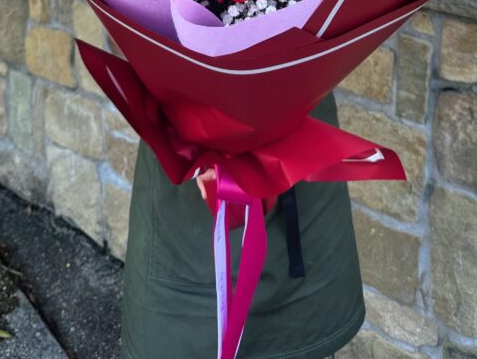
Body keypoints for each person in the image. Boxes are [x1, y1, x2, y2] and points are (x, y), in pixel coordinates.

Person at [120, 93, 364, 359]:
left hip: (301, 159)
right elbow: (132, 53)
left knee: (304, 334)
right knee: (185, 338)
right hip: (185, 167)